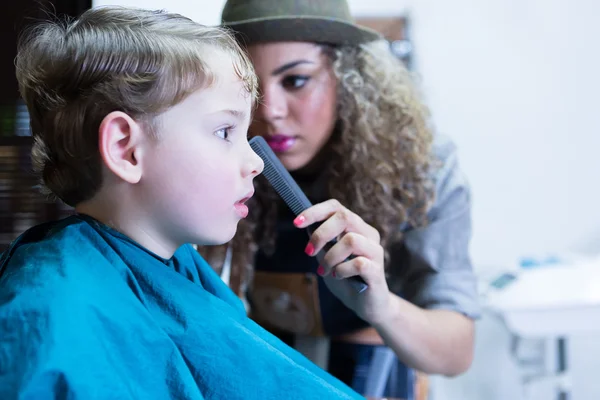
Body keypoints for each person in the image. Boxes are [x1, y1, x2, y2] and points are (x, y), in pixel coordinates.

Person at [0, 7, 367, 399]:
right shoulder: (53, 311)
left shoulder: (177, 269)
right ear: (125, 148)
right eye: (225, 131)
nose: (257, 161)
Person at [198, 0, 481, 397]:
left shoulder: (421, 168)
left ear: (348, 77)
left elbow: (457, 352)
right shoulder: (220, 159)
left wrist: (382, 308)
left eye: (295, 80)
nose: (271, 111)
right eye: (253, 88)